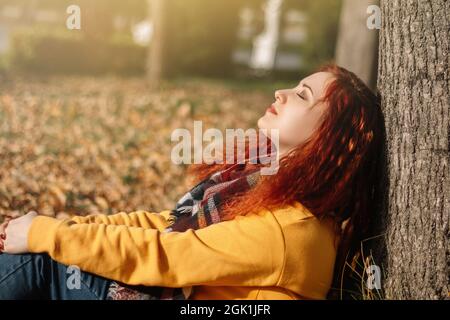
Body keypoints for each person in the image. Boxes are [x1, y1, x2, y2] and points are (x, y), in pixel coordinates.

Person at [0, 64, 384, 300]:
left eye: (302, 95)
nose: (280, 93)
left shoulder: (291, 232)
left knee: (42, 263)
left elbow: (166, 257)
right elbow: (167, 225)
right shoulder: (269, 187)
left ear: (333, 138)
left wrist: (45, 236)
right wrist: (62, 227)